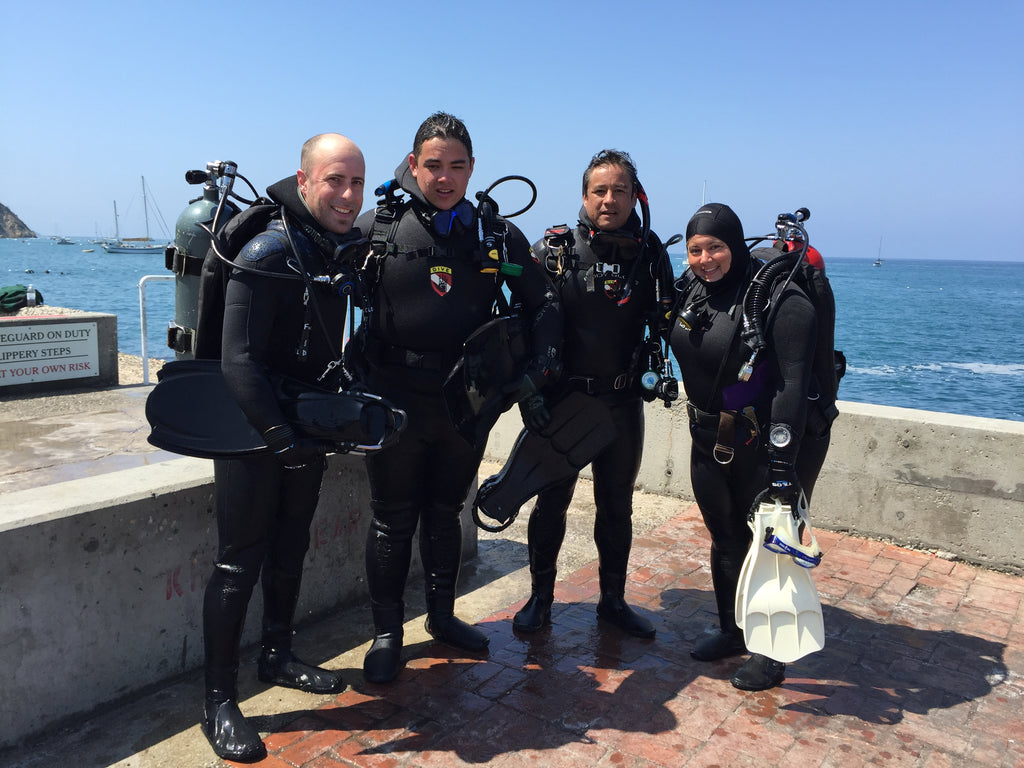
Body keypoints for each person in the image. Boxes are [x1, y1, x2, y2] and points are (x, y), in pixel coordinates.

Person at [348, 112, 562, 684]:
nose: (445, 177)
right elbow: (317, 293)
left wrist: (534, 373)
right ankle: (387, 633)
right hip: (392, 397)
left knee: (446, 512)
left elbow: (543, 302)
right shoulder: (378, 228)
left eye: (457, 166)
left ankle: (442, 617)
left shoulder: (494, 235)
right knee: (392, 519)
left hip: (464, 401)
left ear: (472, 169)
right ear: (413, 165)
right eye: (433, 165)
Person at [201, 133, 367, 762]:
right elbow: (237, 360)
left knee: (292, 542)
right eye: (334, 180)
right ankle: (217, 701)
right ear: (303, 182)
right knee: (238, 561)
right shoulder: (269, 251)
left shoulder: (332, 248)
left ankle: (277, 652)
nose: (347, 195)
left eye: (356, 182)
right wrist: (278, 438)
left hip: (305, 424)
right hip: (252, 431)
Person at [668, 202, 830, 691]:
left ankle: (771, 653)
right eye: (695, 250)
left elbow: (791, 385)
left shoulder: (781, 299)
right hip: (707, 439)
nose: (705, 259)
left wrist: (782, 465)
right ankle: (732, 629)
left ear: (736, 245)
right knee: (725, 538)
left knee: (771, 546)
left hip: (762, 443)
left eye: (716, 247)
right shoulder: (692, 290)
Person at [513, 149, 674, 638]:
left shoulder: (650, 254)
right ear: (584, 196)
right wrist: (526, 392)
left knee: (617, 504)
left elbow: (679, 318)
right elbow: (518, 325)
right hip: (562, 401)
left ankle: (613, 601)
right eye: (599, 191)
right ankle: (540, 597)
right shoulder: (554, 251)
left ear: (635, 197)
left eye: (620, 190)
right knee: (552, 501)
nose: (609, 200)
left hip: (622, 402)